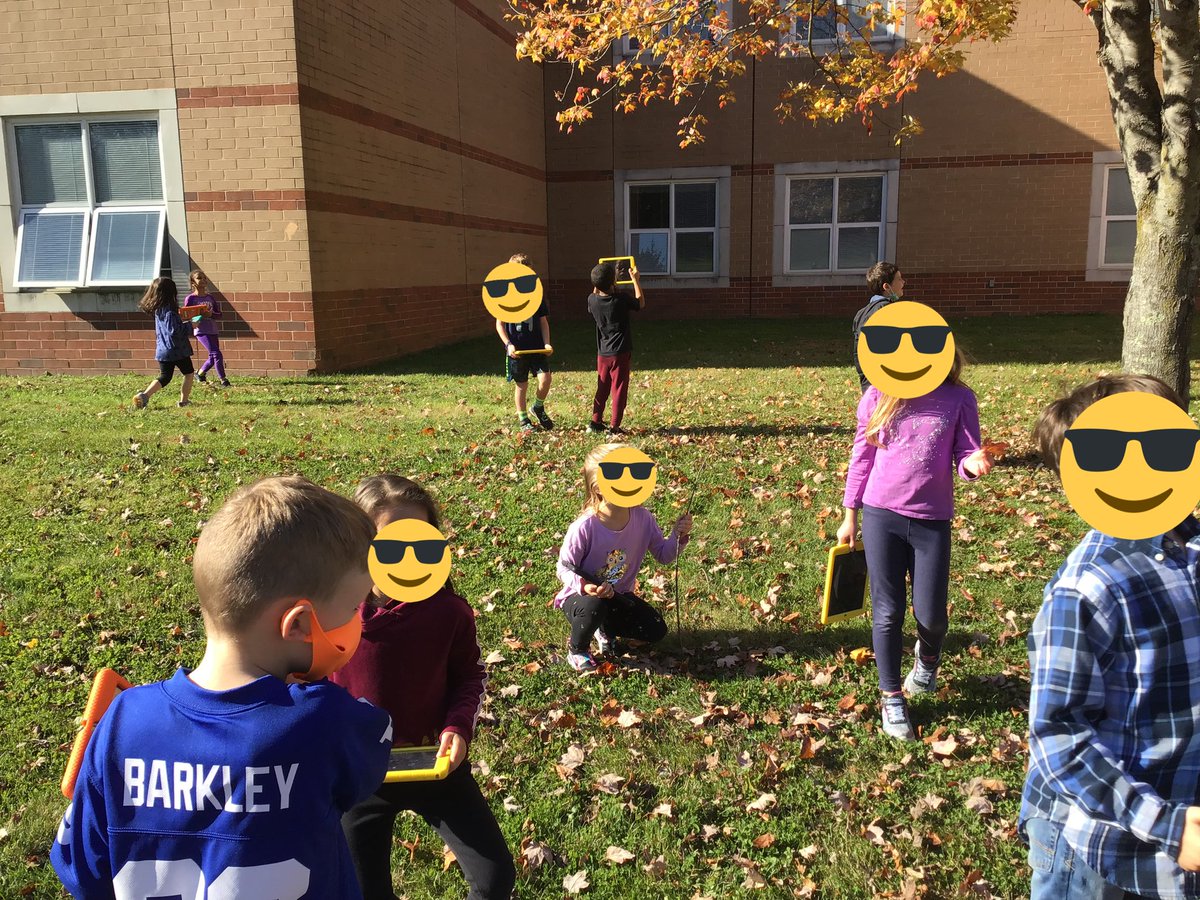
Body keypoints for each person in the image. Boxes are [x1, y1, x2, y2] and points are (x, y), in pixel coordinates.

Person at [50, 476, 394, 899]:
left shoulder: (122, 721)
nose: (360, 619)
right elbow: (371, 757)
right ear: (300, 624)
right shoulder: (326, 721)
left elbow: (82, 869)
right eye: (354, 607)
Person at [1021, 374, 1200, 899]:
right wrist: (1167, 825)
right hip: (1098, 847)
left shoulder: (1190, 547)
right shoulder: (1087, 591)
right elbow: (1058, 736)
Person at [331, 474, 515, 900]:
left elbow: (469, 676)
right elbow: (307, 683)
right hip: (360, 778)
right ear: (359, 546)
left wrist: (458, 728)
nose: (407, 559)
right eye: (391, 546)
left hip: (436, 766)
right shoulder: (334, 615)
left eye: (422, 545)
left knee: (494, 879)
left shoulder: (449, 612)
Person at [836, 347, 995, 741]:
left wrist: (971, 465)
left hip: (932, 520)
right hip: (880, 515)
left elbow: (965, 451)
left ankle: (927, 660)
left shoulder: (959, 397)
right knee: (887, 612)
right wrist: (850, 513)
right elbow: (862, 454)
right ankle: (891, 696)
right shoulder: (878, 393)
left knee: (932, 616)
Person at [554, 443, 692, 673]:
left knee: (655, 629)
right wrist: (586, 586)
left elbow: (664, 555)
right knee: (595, 607)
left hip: (620, 597)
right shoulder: (585, 526)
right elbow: (564, 568)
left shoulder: (643, 518)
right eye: (619, 477)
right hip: (582, 598)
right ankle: (577, 650)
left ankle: (605, 629)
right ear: (598, 488)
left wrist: (678, 535)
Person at [495, 252, 552, 432]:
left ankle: (537, 407)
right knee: (522, 385)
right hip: (517, 351)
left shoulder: (537, 297)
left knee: (546, 379)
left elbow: (543, 322)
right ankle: (523, 419)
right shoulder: (505, 298)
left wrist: (547, 343)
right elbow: (499, 325)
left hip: (536, 349)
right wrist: (508, 345)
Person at [586, 261, 644, 436]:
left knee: (602, 387)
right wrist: (635, 280)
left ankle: (595, 421)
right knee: (619, 389)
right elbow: (640, 303)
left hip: (602, 353)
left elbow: (597, 292)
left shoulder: (592, 300)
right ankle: (614, 427)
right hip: (620, 353)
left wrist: (601, 281)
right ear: (613, 282)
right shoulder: (622, 299)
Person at [132, 277, 194, 409]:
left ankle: (144, 396)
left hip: (162, 350)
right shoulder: (170, 312)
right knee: (188, 373)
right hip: (177, 350)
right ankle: (184, 401)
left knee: (165, 377)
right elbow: (174, 331)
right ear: (172, 293)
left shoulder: (158, 310)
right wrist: (191, 325)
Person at [852, 262, 905, 393]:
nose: (903, 282)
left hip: (868, 382)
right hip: (886, 383)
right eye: (899, 279)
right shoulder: (888, 310)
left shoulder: (861, 313)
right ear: (886, 287)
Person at [182, 269, 231, 387]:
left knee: (213, 355)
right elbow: (186, 316)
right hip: (201, 330)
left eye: (204, 278)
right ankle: (223, 380)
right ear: (193, 282)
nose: (203, 280)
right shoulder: (191, 299)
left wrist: (211, 314)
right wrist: (199, 315)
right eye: (199, 278)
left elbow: (219, 314)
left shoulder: (210, 297)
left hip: (212, 329)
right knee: (216, 353)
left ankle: (201, 373)